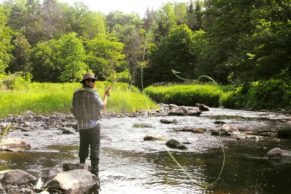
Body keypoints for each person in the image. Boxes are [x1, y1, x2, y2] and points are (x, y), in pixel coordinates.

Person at [71, 72, 111, 176]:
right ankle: (95, 170)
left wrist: (78, 118)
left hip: (81, 125)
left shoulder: (76, 93)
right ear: (86, 82)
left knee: (83, 145)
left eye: (94, 80)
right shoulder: (93, 93)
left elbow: (72, 109)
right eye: (92, 80)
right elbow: (103, 107)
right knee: (95, 146)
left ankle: (82, 165)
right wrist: (106, 95)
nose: (94, 82)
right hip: (94, 124)